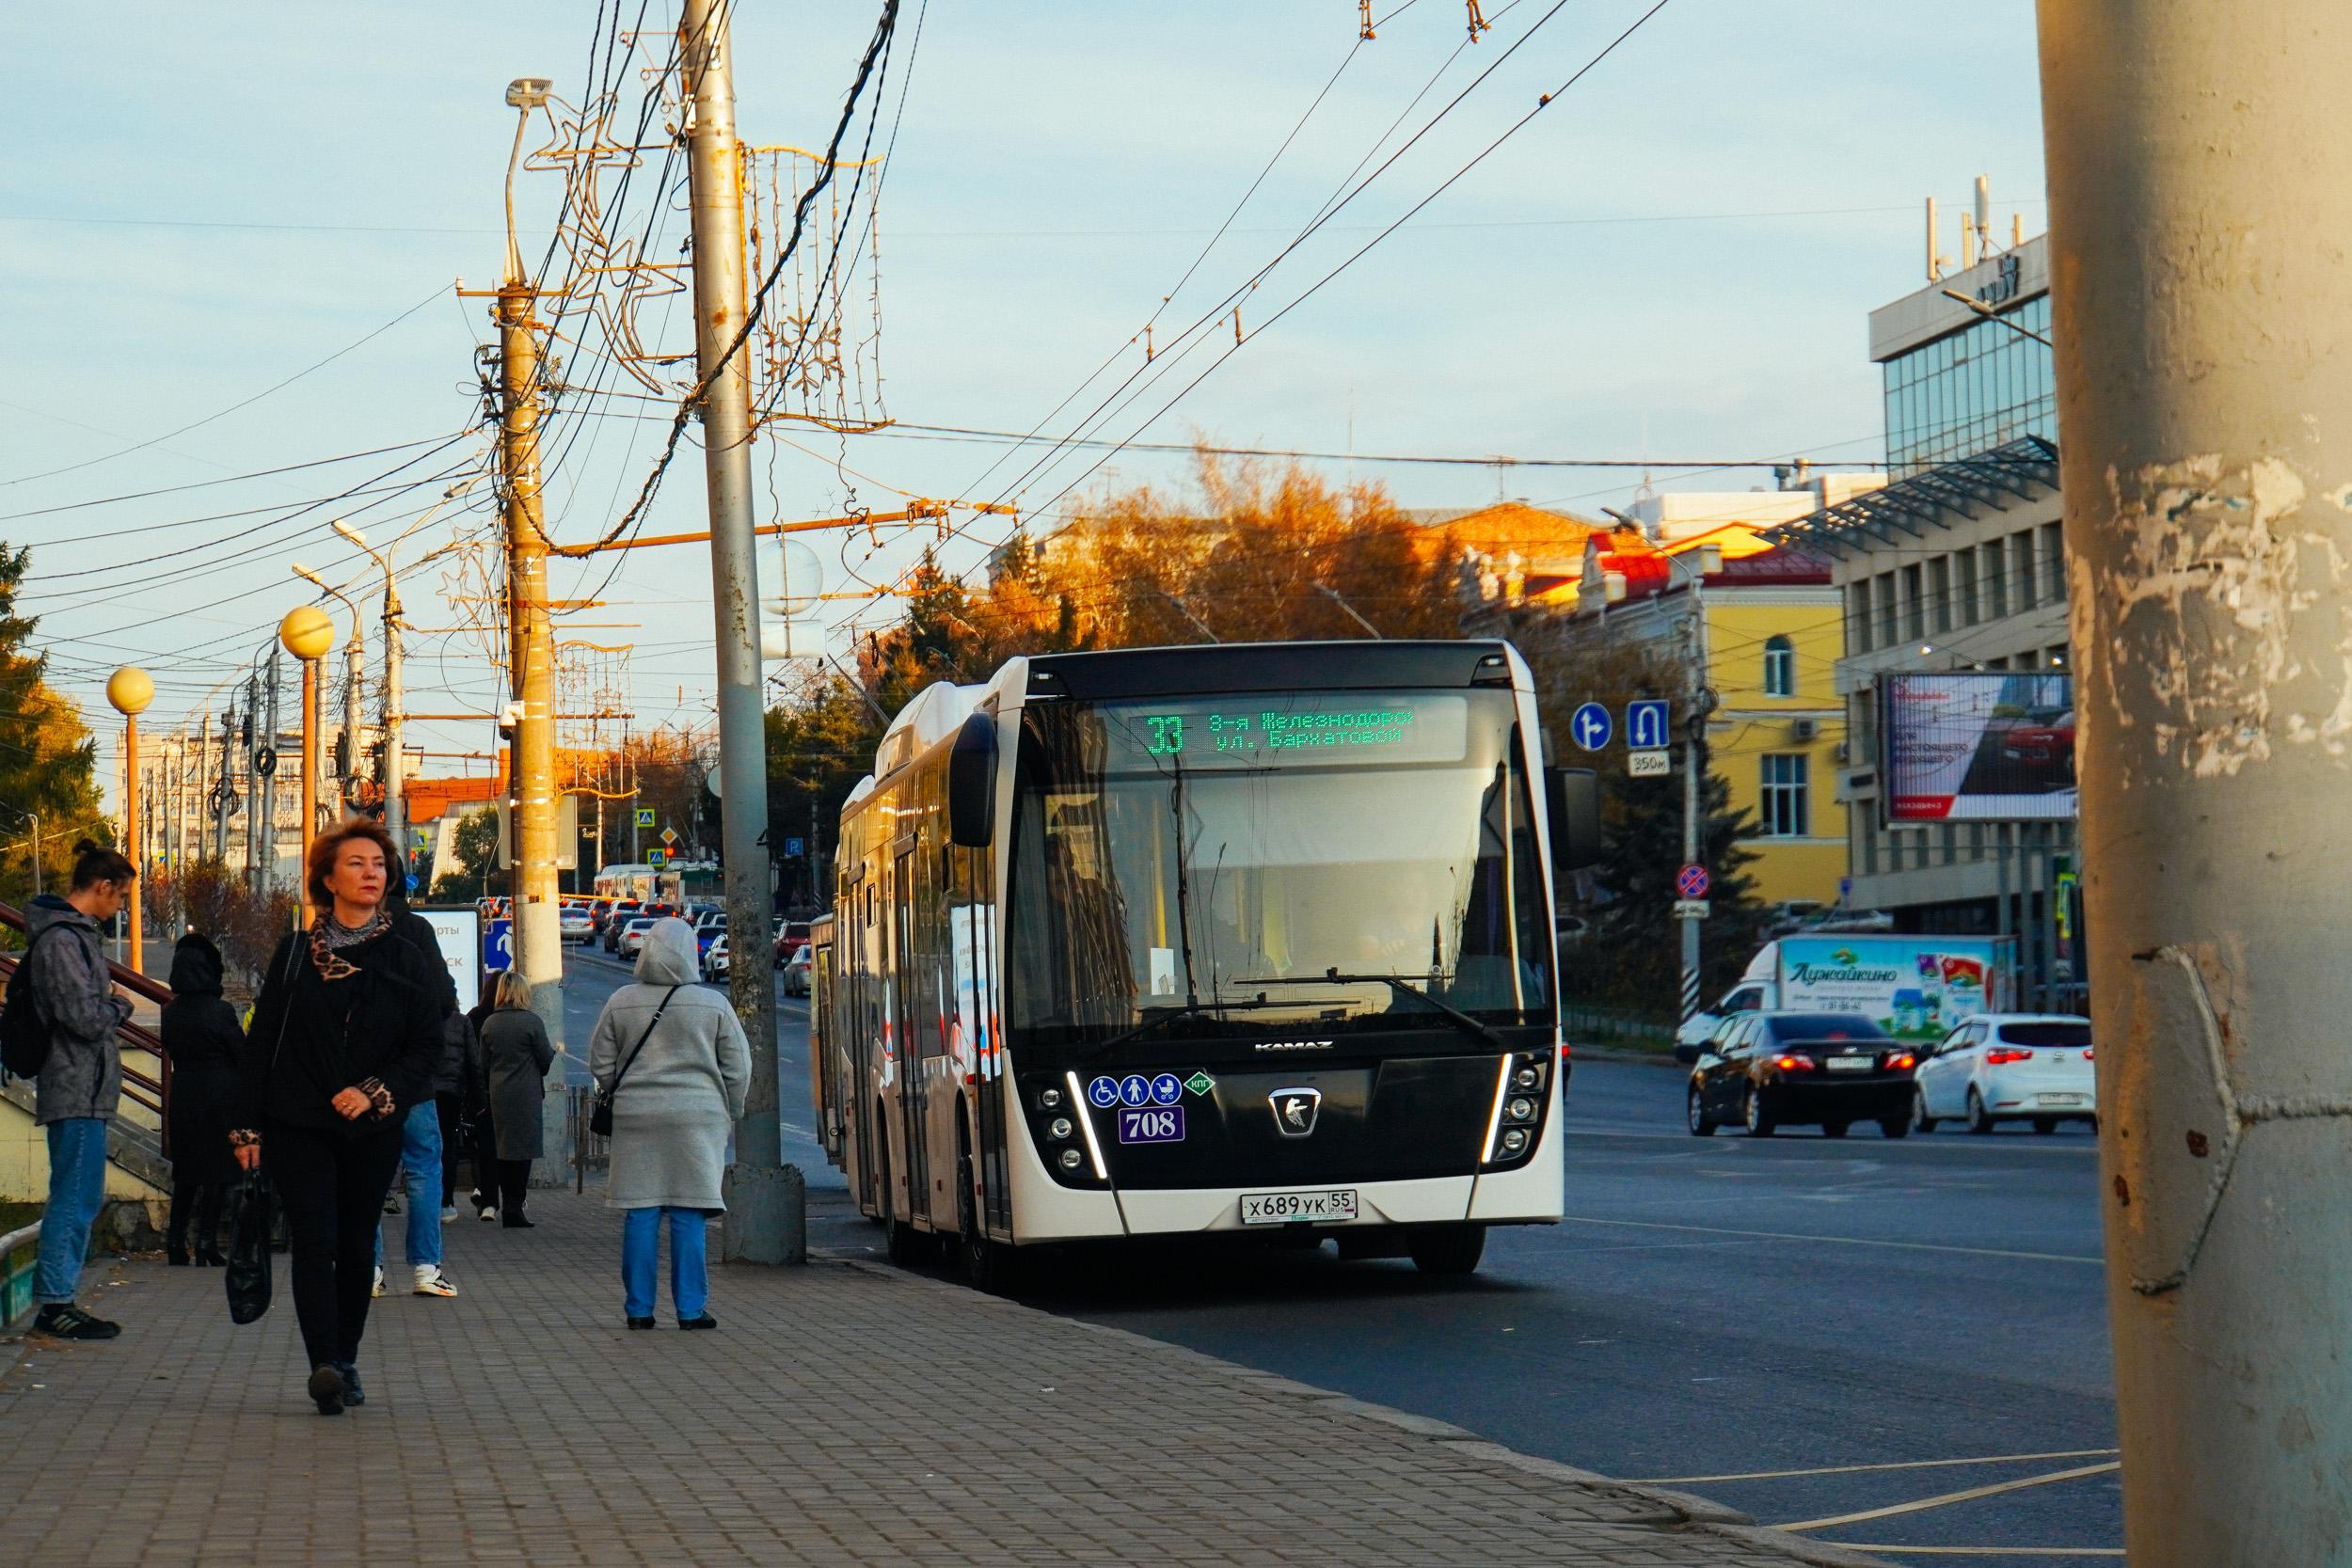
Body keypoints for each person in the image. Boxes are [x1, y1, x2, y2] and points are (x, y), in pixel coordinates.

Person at [232, 820, 442, 1416]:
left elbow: (428, 1044)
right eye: (356, 863)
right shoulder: (297, 952)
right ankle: (323, 1362)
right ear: (328, 878)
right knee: (314, 1241)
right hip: (298, 1119)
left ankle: (344, 1358)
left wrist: (374, 1091)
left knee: (355, 1245)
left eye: (378, 863)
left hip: (371, 1126)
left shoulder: (408, 952)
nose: (371, 872)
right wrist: (247, 1126)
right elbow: (264, 1038)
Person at [586, 918, 748, 1331]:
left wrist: (622, 1091)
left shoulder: (621, 1001)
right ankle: (690, 1310)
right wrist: (732, 1108)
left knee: (640, 1212)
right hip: (698, 1118)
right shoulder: (713, 1004)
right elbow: (738, 1067)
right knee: (688, 1212)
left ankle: (639, 1310)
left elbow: (600, 1062)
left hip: (637, 1116)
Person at [24, 840, 136, 1341]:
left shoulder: (70, 937)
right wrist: (120, 1006)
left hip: (83, 1087)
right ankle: (55, 1303)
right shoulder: (62, 942)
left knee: (79, 1195)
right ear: (103, 887)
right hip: (75, 1085)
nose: (121, 909)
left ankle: (60, 1298)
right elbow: (84, 1018)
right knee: (73, 1197)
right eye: (121, 898)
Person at [369, 889, 462, 1299]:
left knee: (365, 1172)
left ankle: (367, 1271)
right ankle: (426, 1269)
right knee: (424, 1169)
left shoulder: (344, 932)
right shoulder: (418, 931)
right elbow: (444, 999)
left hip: (363, 1080)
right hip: (413, 1079)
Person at [160, 931, 242, 1268]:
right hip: (219, 1093)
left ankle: (176, 1242)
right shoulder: (220, 1011)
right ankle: (207, 1243)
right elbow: (242, 1051)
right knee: (218, 1172)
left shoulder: (171, 1012)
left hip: (183, 1092)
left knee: (187, 1171)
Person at [478, 971, 554, 1227]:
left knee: (503, 1149)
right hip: (526, 1094)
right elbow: (544, 1060)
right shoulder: (531, 1022)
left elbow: (483, 1063)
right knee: (524, 1151)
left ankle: (506, 1202)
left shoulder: (490, 1024)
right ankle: (515, 1205)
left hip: (498, 1093)